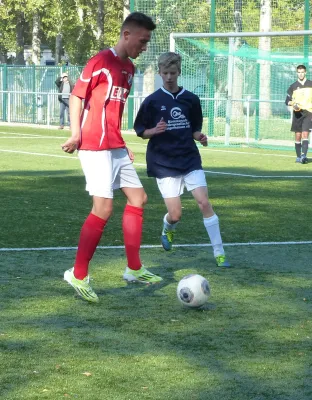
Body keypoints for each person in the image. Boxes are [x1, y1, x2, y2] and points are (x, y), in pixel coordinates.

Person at [61, 12, 162, 303]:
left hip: (113, 146)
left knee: (138, 198)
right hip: (94, 145)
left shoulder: (129, 69)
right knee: (103, 208)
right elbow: (78, 97)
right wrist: (75, 134)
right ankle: (78, 274)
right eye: (142, 41)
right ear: (126, 35)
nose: (144, 47)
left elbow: (111, 111)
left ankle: (133, 268)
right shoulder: (100, 61)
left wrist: (121, 144)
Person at [134, 52, 231, 268]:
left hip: (189, 159)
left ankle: (220, 252)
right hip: (163, 162)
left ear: (179, 73)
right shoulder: (151, 101)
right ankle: (168, 228)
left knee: (204, 203)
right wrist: (154, 130)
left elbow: (194, 128)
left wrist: (200, 136)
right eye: (165, 73)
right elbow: (141, 131)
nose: (169, 77)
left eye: (173, 73)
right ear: (159, 73)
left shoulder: (191, 99)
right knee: (176, 215)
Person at [285, 64, 312, 164]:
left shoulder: (311, 84)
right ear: (297, 73)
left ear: (305, 73)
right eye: (299, 72)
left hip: (308, 112)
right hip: (297, 113)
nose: (300, 74)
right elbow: (287, 100)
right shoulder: (293, 86)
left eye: (302, 72)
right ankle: (298, 156)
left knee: (305, 134)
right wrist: (293, 104)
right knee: (298, 136)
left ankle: (304, 156)